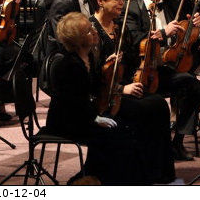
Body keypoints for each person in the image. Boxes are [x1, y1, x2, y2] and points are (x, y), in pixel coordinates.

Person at [45, 12, 155, 184]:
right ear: (79, 40)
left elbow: (96, 86)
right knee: (117, 134)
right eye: (89, 31)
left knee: (128, 127)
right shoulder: (67, 65)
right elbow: (72, 103)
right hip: (67, 121)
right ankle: (102, 179)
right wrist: (94, 119)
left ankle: (104, 176)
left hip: (84, 115)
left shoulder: (89, 56)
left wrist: (107, 68)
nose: (95, 31)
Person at [88, 0, 175, 183]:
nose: (122, 3)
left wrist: (152, 46)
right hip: (103, 96)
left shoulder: (120, 27)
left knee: (158, 104)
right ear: (100, 1)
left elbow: (133, 59)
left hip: (123, 86)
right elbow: (90, 74)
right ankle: (137, 173)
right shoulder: (90, 30)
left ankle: (157, 172)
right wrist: (122, 89)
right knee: (143, 108)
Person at [126, 0, 200, 161]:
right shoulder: (132, 8)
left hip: (169, 67)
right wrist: (163, 33)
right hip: (142, 71)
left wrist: (196, 26)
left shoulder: (173, 3)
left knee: (195, 87)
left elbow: (187, 37)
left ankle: (178, 141)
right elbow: (134, 40)